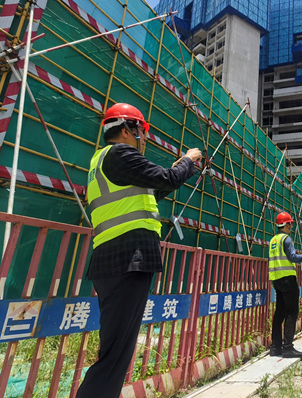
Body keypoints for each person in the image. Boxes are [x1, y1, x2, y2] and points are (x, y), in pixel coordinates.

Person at [77, 103, 203, 398]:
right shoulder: (121, 153)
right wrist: (188, 159)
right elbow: (167, 179)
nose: (143, 139)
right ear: (126, 130)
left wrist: (177, 170)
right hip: (127, 259)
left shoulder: (101, 162)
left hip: (112, 260)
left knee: (116, 348)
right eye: (141, 132)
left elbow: (154, 188)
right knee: (116, 354)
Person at [269, 212, 302, 358]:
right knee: (291, 311)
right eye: (290, 223)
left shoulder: (273, 240)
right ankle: (288, 347)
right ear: (285, 224)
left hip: (276, 279)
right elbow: (292, 257)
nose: (292, 226)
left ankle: (276, 347)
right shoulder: (286, 239)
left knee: (279, 312)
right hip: (287, 279)